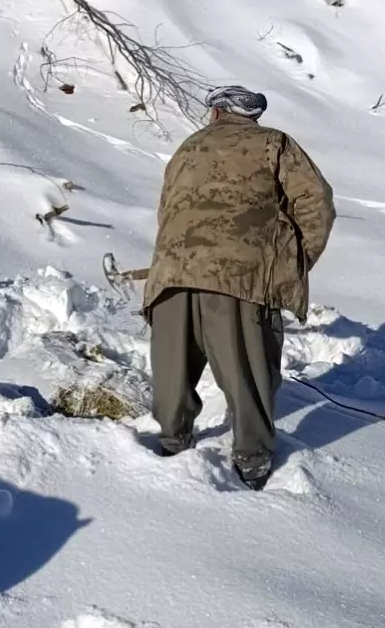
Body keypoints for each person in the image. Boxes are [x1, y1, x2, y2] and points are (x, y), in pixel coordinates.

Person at [144, 85, 335, 490]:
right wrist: (294, 264)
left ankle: (170, 445)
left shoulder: (187, 147)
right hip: (239, 277)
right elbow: (317, 202)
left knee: (172, 369)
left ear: (215, 113)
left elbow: (166, 210)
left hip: (171, 273)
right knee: (247, 371)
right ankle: (252, 463)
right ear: (249, 116)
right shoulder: (273, 143)